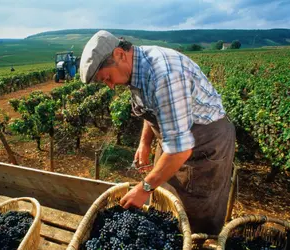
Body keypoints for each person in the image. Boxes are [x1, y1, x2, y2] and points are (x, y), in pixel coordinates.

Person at [79, 30, 236, 234]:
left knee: (194, 219)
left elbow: (180, 151)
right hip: (176, 140)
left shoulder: (165, 75)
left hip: (203, 144)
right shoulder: (136, 68)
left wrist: (144, 187)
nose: (110, 86)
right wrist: (144, 144)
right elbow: (153, 110)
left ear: (119, 54)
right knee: (164, 206)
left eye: (107, 77)